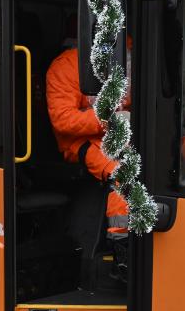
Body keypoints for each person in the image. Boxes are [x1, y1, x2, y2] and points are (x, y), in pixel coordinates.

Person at [45, 43, 130, 240]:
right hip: (79, 141)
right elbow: (63, 120)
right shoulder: (66, 65)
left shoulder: (129, 52)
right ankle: (123, 244)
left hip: (117, 134)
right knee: (121, 173)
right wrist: (110, 120)